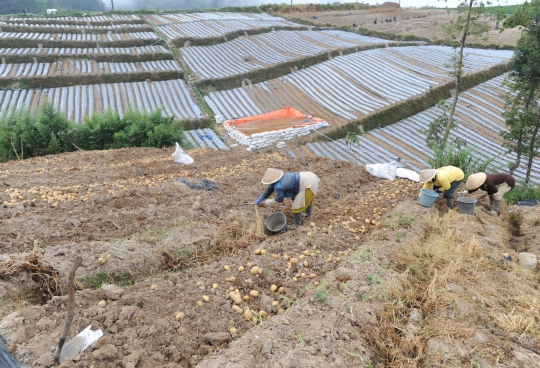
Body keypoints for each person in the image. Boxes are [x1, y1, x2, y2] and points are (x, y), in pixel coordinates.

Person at [255, 168, 320, 229]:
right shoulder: (280, 178)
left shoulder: (279, 186)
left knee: (296, 208)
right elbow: (268, 192)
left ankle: (297, 224)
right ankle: (307, 215)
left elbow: (279, 199)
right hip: (309, 176)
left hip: (308, 184)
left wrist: (269, 202)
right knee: (306, 200)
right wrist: (258, 201)